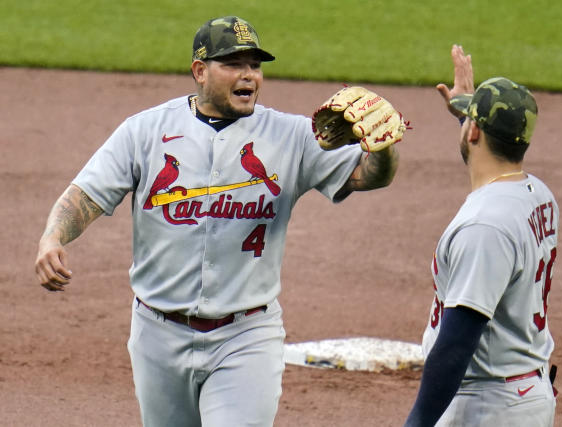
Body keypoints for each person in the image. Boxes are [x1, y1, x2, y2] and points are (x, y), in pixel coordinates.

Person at [34, 16, 399, 427]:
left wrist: (384, 151)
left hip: (245, 336)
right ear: (200, 71)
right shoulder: (145, 131)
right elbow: (86, 194)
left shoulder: (293, 136)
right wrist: (53, 237)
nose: (248, 76)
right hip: (158, 334)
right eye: (233, 64)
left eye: (255, 66)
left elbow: (368, 175)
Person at [404, 45, 558, 426]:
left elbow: (456, 345)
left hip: (488, 405)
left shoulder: (484, 227)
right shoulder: (538, 194)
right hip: (524, 392)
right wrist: (465, 109)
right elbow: (489, 156)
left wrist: (417, 422)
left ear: (474, 131)